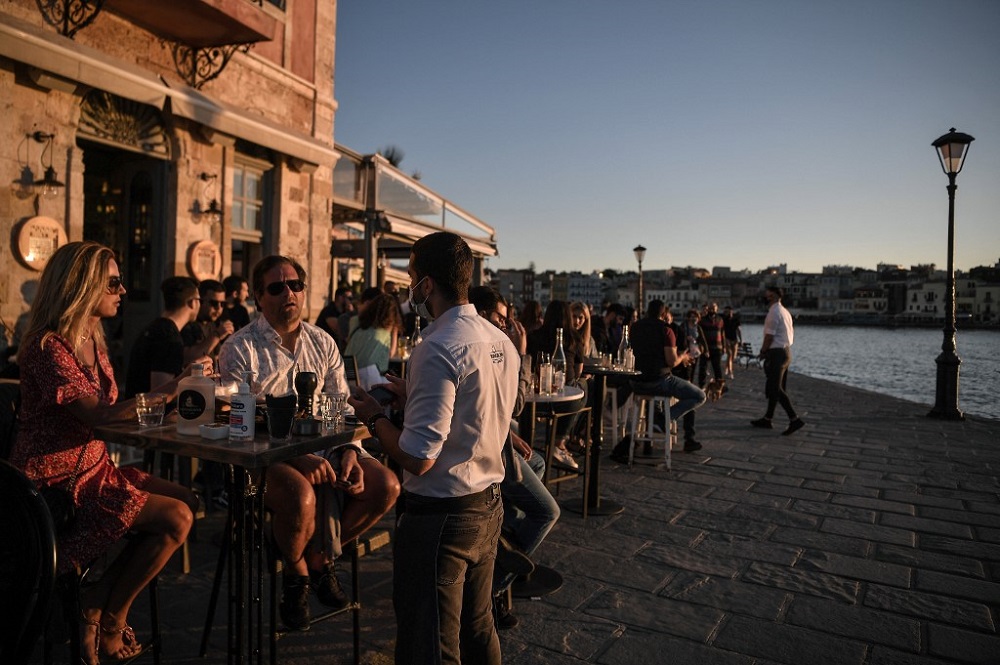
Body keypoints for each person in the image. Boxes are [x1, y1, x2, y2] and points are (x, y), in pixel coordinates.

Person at [8, 241, 201, 664]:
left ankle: (94, 598)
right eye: (113, 282)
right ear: (82, 285)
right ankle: (109, 614)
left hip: (96, 468)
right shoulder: (47, 346)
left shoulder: (93, 338)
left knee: (190, 501)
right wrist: (173, 388)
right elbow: (100, 417)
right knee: (176, 518)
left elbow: (114, 415)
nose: (124, 290)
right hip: (54, 482)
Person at [348, 232, 518, 665]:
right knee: (478, 628)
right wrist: (416, 393)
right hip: (488, 505)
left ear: (426, 285)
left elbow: (418, 456)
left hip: (443, 517)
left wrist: (375, 418)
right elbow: (478, 407)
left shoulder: (437, 346)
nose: (409, 287)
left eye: (410, 276)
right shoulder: (499, 339)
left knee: (432, 644)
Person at [217, 255, 400, 630]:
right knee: (302, 496)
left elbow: (342, 408)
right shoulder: (240, 347)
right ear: (257, 296)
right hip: (262, 455)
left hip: (324, 446)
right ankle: (297, 573)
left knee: (386, 485)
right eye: (276, 287)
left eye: (295, 285)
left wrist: (348, 450)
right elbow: (239, 421)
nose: (289, 293)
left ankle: (315, 556)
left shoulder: (323, 342)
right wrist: (298, 458)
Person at [469, 286, 559, 630]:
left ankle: (501, 537)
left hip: (493, 443)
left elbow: (490, 409)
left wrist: (509, 434)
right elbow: (514, 404)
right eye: (501, 319)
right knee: (548, 511)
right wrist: (517, 354)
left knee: (535, 462)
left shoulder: (481, 345)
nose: (507, 326)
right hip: (484, 458)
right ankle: (491, 587)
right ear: (482, 315)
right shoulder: (491, 349)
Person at [612, 300, 706, 461]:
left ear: (648, 311)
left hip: (636, 382)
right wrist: (683, 357)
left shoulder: (635, 327)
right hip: (658, 381)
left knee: (657, 394)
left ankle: (654, 421)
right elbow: (671, 361)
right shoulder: (666, 331)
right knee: (699, 396)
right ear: (663, 314)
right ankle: (663, 421)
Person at [125, 276, 213, 398]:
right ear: (192, 303)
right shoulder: (167, 337)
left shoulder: (157, 328)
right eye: (200, 300)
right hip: (146, 415)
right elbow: (160, 395)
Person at [526, 300, 588, 469]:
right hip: (563, 402)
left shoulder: (534, 336)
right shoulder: (574, 338)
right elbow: (578, 371)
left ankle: (538, 443)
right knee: (583, 385)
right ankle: (561, 441)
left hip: (537, 402)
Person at [751, 286, 805, 435]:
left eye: (767, 294)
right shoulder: (785, 311)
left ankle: (794, 419)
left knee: (775, 388)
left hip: (776, 354)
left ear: (773, 296)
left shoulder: (773, 313)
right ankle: (768, 418)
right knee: (777, 387)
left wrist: (763, 352)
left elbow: (769, 336)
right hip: (786, 352)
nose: (764, 297)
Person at [344, 292, 402, 373]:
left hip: (349, 375)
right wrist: (394, 331)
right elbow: (390, 354)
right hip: (370, 378)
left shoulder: (357, 325)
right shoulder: (384, 333)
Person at [180, 278, 235, 362]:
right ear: (200, 301)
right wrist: (217, 335)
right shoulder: (187, 324)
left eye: (222, 304)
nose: (219, 308)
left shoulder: (213, 324)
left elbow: (217, 357)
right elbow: (188, 358)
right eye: (214, 303)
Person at [698, 302, 725, 386]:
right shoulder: (702, 320)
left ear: (717, 309)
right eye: (710, 308)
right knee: (702, 368)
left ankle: (719, 386)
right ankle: (701, 386)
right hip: (705, 348)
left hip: (717, 348)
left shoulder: (720, 320)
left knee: (717, 368)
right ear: (707, 309)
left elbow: (723, 334)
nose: (711, 310)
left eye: (713, 308)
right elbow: (699, 335)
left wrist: (724, 347)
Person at [722, 305, 742, 379]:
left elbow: (739, 330)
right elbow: (722, 331)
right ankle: (730, 372)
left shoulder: (736, 319)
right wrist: (724, 340)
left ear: (731, 311)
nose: (727, 313)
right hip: (727, 339)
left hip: (734, 339)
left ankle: (727, 368)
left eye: (728, 311)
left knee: (733, 357)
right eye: (726, 311)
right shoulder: (724, 320)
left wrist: (741, 340)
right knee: (729, 354)